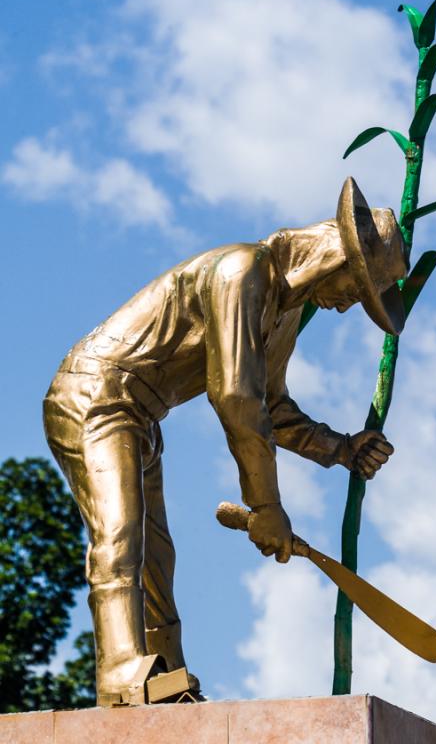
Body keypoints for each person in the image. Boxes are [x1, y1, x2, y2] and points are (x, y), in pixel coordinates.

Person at [43, 177, 408, 706]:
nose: (351, 305)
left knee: (155, 558)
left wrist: (342, 448)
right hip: (95, 395)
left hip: (143, 415)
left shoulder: (282, 317)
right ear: (335, 257)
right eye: (357, 289)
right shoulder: (243, 270)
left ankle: (164, 677)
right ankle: (122, 673)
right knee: (121, 535)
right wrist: (266, 508)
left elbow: (273, 408)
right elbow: (237, 396)